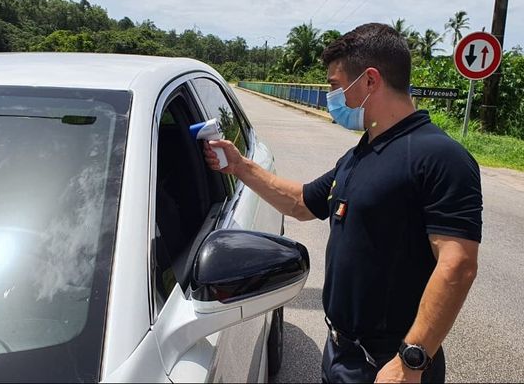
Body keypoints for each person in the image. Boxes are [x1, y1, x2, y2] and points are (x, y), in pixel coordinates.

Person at [203, 23, 482, 383]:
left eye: (335, 86)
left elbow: (458, 265)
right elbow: (301, 202)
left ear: (369, 81)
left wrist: (411, 360)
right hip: (342, 353)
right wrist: (240, 166)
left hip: (392, 363)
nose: (331, 97)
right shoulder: (361, 154)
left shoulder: (440, 157)